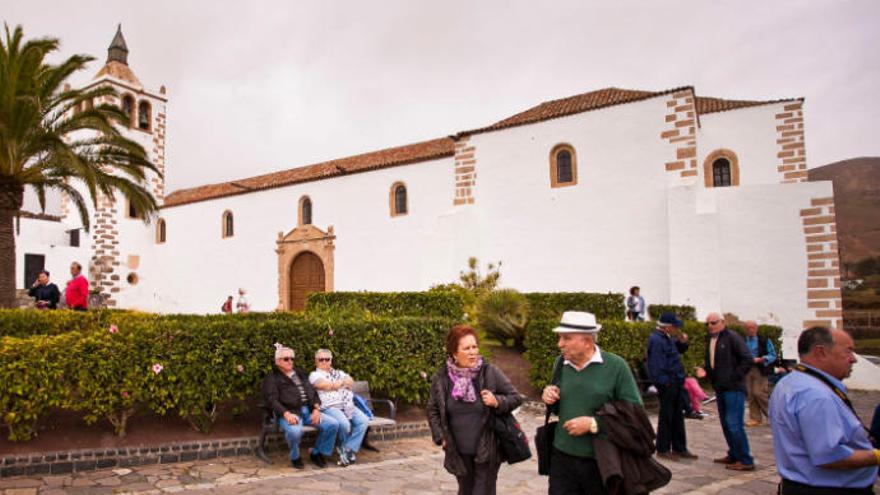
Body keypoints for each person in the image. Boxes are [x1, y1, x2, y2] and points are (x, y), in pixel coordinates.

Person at [542, 311, 642, 495]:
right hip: (561, 459)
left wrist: (593, 424)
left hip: (600, 462)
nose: (560, 344)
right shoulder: (560, 363)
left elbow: (635, 415)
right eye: (560, 337)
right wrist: (550, 397)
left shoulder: (616, 367)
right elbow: (560, 407)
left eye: (566, 338)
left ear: (587, 341)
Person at [769, 327, 879, 494]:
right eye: (848, 351)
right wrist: (876, 456)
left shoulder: (790, 382)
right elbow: (830, 456)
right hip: (828, 489)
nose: (853, 359)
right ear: (820, 352)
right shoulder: (815, 395)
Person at [427, 325, 521, 495]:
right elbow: (433, 409)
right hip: (458, 451)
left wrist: (496, 401)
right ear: (454, 353)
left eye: (474, 346)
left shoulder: (490, 372)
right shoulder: (441, 379)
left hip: (488, 449)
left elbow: (515, 398)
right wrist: (440, 436)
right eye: (466, 348)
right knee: (465, 490)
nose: (472, 352)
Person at [261, 345, 340, 469]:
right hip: (290, 413)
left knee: (332, 424)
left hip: (308, 411)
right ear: (277, 361)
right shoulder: (272, 378)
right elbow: (272, 400)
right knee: (295, 432)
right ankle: (295, 456)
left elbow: (312, 392)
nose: (290, 361)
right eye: (286, 359)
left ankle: (316, 452)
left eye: (292, 359)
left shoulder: (300, 373)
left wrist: (316, 409)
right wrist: (286, 414)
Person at [695, 312, 754, 471]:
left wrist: (734, 377)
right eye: (707, 324)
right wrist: (705, 369)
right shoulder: (711, 339)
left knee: (734, 424)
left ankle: (745, 459)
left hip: (733, 389)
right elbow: (713, 361)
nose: (710, 326)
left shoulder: (733, 337)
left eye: (713, 323)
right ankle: (734, 454)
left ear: (722, 322)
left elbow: (747, 359)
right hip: (720, 387)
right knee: (726, 424)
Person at [646, 311, 698, 460]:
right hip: (668, 382)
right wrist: (665, 382)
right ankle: (663, 448)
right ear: (667, 327)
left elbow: (678, 350)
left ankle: (679, 448)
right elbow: (655, 364)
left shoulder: (667, 338)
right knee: (667, 416)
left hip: (676, 381)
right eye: (675, 326)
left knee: (677, 415)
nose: (677, 329)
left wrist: (682, 342)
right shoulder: (656, 340)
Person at [309, 349, 369, 466]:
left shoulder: (338, 373)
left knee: (363, 421)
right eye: (321, 359)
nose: (324, 362)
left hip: (346, 405)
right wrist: (339, 383)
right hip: (330, 407)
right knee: (344, 424)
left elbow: (350, 382)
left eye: (327, 359)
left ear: (331, 361)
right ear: (316, 361)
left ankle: (347, 449)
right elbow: (323, 385)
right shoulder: (314, 375)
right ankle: (341, 447)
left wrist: (337, 384)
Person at [742, 320, 776, 427]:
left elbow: (773, 354)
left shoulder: (764, 340)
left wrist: (762, 359)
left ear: (756, 328)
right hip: (747, 368)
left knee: (759, 393)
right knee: (750, 393)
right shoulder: (742, 340)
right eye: (748, 328)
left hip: (760, 368)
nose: (750, 330)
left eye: (752, 328)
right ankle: (755, 418)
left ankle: (773, 417)